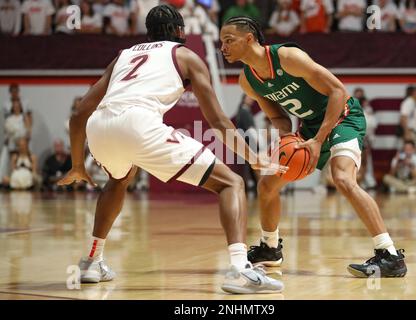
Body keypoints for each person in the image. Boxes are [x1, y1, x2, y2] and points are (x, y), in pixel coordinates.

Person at [57, 4, 285, 294]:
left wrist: (78, 164)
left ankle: (91, 261)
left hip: (100, 127)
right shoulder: (186, 55)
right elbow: (217, 121)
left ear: (148, 32)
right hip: (138, 123)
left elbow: (79, 114)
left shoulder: (124, 55)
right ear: (181, 31)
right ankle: (240, 269)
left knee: (119, 179)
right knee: (232, 183)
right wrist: (253, 159)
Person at [219, 16, 407, 278]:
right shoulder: (248, 80)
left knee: (342, 178)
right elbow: (278, 117)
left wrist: (319, 141)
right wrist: (285, 140)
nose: (223, 47)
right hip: (308, 126)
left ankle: (390, 255)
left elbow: (337, 91)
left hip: (343, 116)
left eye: (229, 40)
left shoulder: (287, 57)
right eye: (221, 42)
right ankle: (270, 248)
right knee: (267, 184)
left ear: (249, 39)